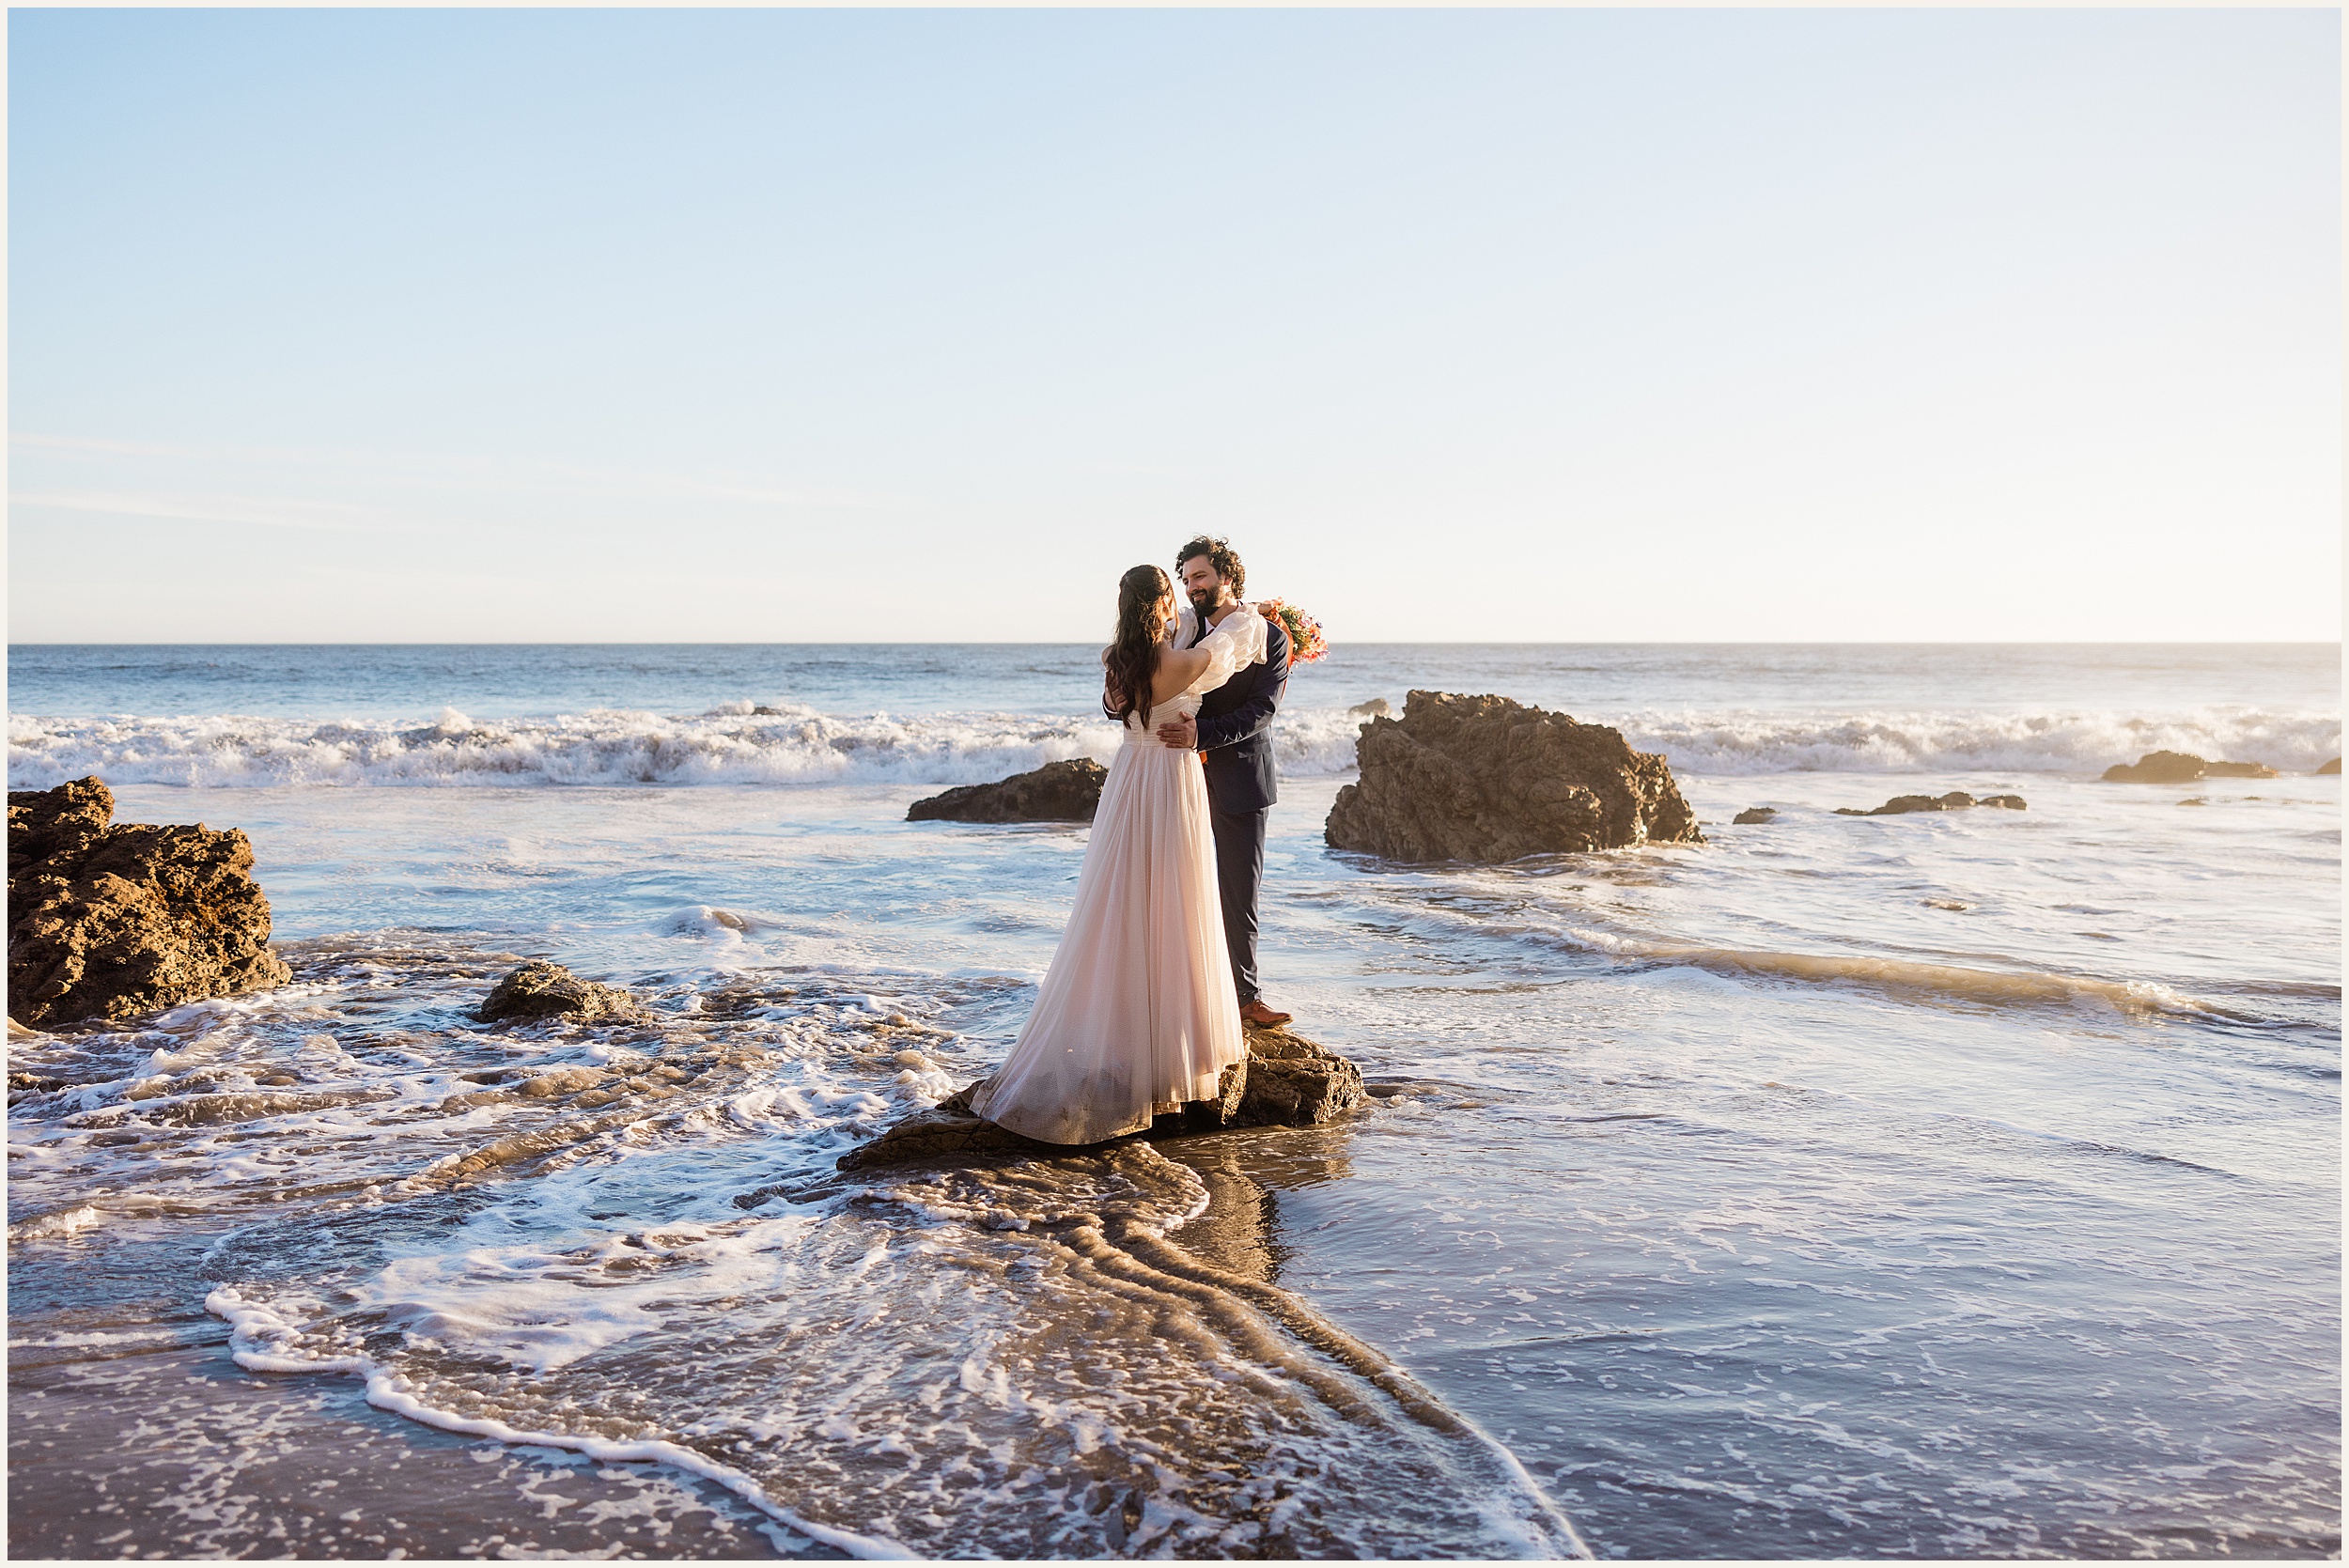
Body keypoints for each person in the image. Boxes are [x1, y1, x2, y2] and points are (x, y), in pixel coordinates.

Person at [969, 564, 1268, 1144]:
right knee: (1175, 901)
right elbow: (1230, 649)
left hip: (1129, 777)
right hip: (1168, 780)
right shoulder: (1175, 664)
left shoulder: (1118, 660)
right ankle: (1169, 1049)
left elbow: (1151, 675)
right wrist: (1249, 613)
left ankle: (1125, 1030)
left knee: (1121, 902)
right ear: (1159, 604)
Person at [1153, 536, 1294, 1028]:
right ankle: (1183, 996)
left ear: (1227, 577)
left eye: (1201, 577)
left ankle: (1246, 999)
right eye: (1187, 579)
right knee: (1179, 887)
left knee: (1238, 892)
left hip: (1240, 778)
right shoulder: (1179, 634)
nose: (1192, 587)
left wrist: (1201, 735)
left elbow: (1263, 711)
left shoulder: (1270, 639)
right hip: (1178, 777)